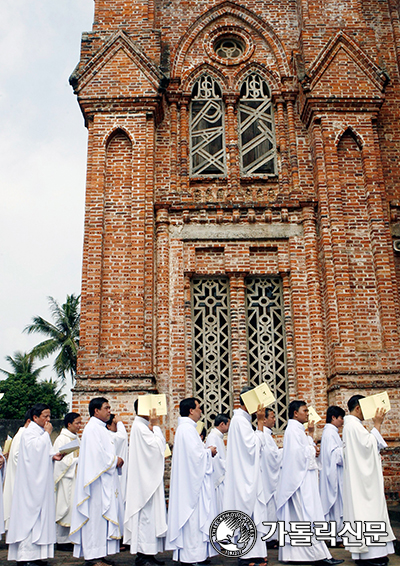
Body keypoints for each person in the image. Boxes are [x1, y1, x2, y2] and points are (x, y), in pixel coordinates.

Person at [276, 400, 342, 565]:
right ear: (295, 413)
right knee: (307, 517)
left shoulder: (298, 430)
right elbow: (297, 456)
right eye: (305, 410)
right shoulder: (292, 430)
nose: (308, 413)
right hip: (300, 483)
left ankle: (303, 555)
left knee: (306, 518)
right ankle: (317, 556)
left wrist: (311, 438)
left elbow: (305, 450)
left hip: (305, 480)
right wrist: (312, 449)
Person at [69, 397, 124, 564]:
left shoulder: (100, 428)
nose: (109, 411)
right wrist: (115, 461)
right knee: (94, 520)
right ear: (96, 411)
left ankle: (99, 556)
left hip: (102, 481)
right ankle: (93, 558)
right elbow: (97, 456)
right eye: (106, 408)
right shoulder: (92, 428)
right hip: (95, 485)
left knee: (100, 521)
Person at [7, 403, 63, 564]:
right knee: (28, 519)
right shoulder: (29, 433)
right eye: (45, 416)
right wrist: (47, 434)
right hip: (30, 486)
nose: (48, 419)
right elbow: (33, 454)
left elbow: (42, 454)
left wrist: (53, 456)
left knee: (41, 518)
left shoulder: (39, 432)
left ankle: (37, 555)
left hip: (40, 484)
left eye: (49, 416)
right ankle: (26, 556)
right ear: (35, 417)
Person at [343, 395, 395, 566]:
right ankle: (369, 556)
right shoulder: (353, 426)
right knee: (368, 512)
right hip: (363, 482)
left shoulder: (352, 425)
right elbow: (369, 446)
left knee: (367, 513)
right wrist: (378, 424)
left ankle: (370, 554)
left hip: (361, 478)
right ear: (357, 408)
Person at [166, 397, 217, 565]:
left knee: (194, 520)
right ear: (190, 411)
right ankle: (192, 557)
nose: (200, 411)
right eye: (198, 408)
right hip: (191, 487)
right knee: (193, 520)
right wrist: (209, 451)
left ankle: (197, 555)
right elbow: (196, 458)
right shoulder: (186, 430)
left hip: (190, 483)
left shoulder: (186, 429)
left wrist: (205, 452)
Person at [223, 386, 268, 566]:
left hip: (247, 473)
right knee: (249, 513)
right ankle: (247, 556)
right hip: (245, 476)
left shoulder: (241, 420)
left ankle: (255, 554)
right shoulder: (241, 421)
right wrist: (260, 422)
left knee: (254, 514)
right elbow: (254, 447)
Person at [124, 399, 167, 566]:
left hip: (148, 478)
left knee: (150, 517)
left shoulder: (142, 426)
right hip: (144, 481)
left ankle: (149, 553)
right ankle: (143, 556)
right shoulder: (141, 427)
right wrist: (156, 426)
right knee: (146, 517)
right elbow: (157, 448)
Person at [53, 411, 82, 549]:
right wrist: (77, 460)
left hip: (75, 478)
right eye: (77, 423)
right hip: (66, 479)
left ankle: (71, 538)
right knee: (65, 508)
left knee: (73, 508)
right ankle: (61, 540)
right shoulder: (62, 439)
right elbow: (60, 461)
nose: (79, 426)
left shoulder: (76, 438)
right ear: (69, 424)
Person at [3, 408, 31, 531]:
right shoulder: (23, 435)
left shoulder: (25, 434)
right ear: (30, 421)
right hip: (20, 481)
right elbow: (16, 457)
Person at [319, 406, 345, 536]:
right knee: (335, 506)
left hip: (334, 472)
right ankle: (336, 535)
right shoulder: (330, 433)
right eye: (341, 418)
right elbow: (335, 456)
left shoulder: (330, 432)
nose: (342, 421)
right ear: (333, 418)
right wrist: (347, 448)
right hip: (333, 475)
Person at [260, 408, 283, 546]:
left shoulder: (267, 435)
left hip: (270, 476)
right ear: (264, 419)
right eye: (272, 417)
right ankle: (269, 538)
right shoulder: (264, 435)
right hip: (267, 477)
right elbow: (271, 457)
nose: (274, 419)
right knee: (269, 507)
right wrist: (286, 450)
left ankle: (272, 536)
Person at [205, 413, 230, 514]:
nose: (229, 427)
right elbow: (214, 459)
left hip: (223, 474)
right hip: (219, 477)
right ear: (222, 424)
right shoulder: (213, 437)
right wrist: (227, 466)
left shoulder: (218, 436)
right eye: (228, 424)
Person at [106, 413, 129, 508]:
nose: (117, 427)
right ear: (108, 426)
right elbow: (123, 437)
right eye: (114, 424)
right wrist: (119, 422)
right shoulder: (110, 435)